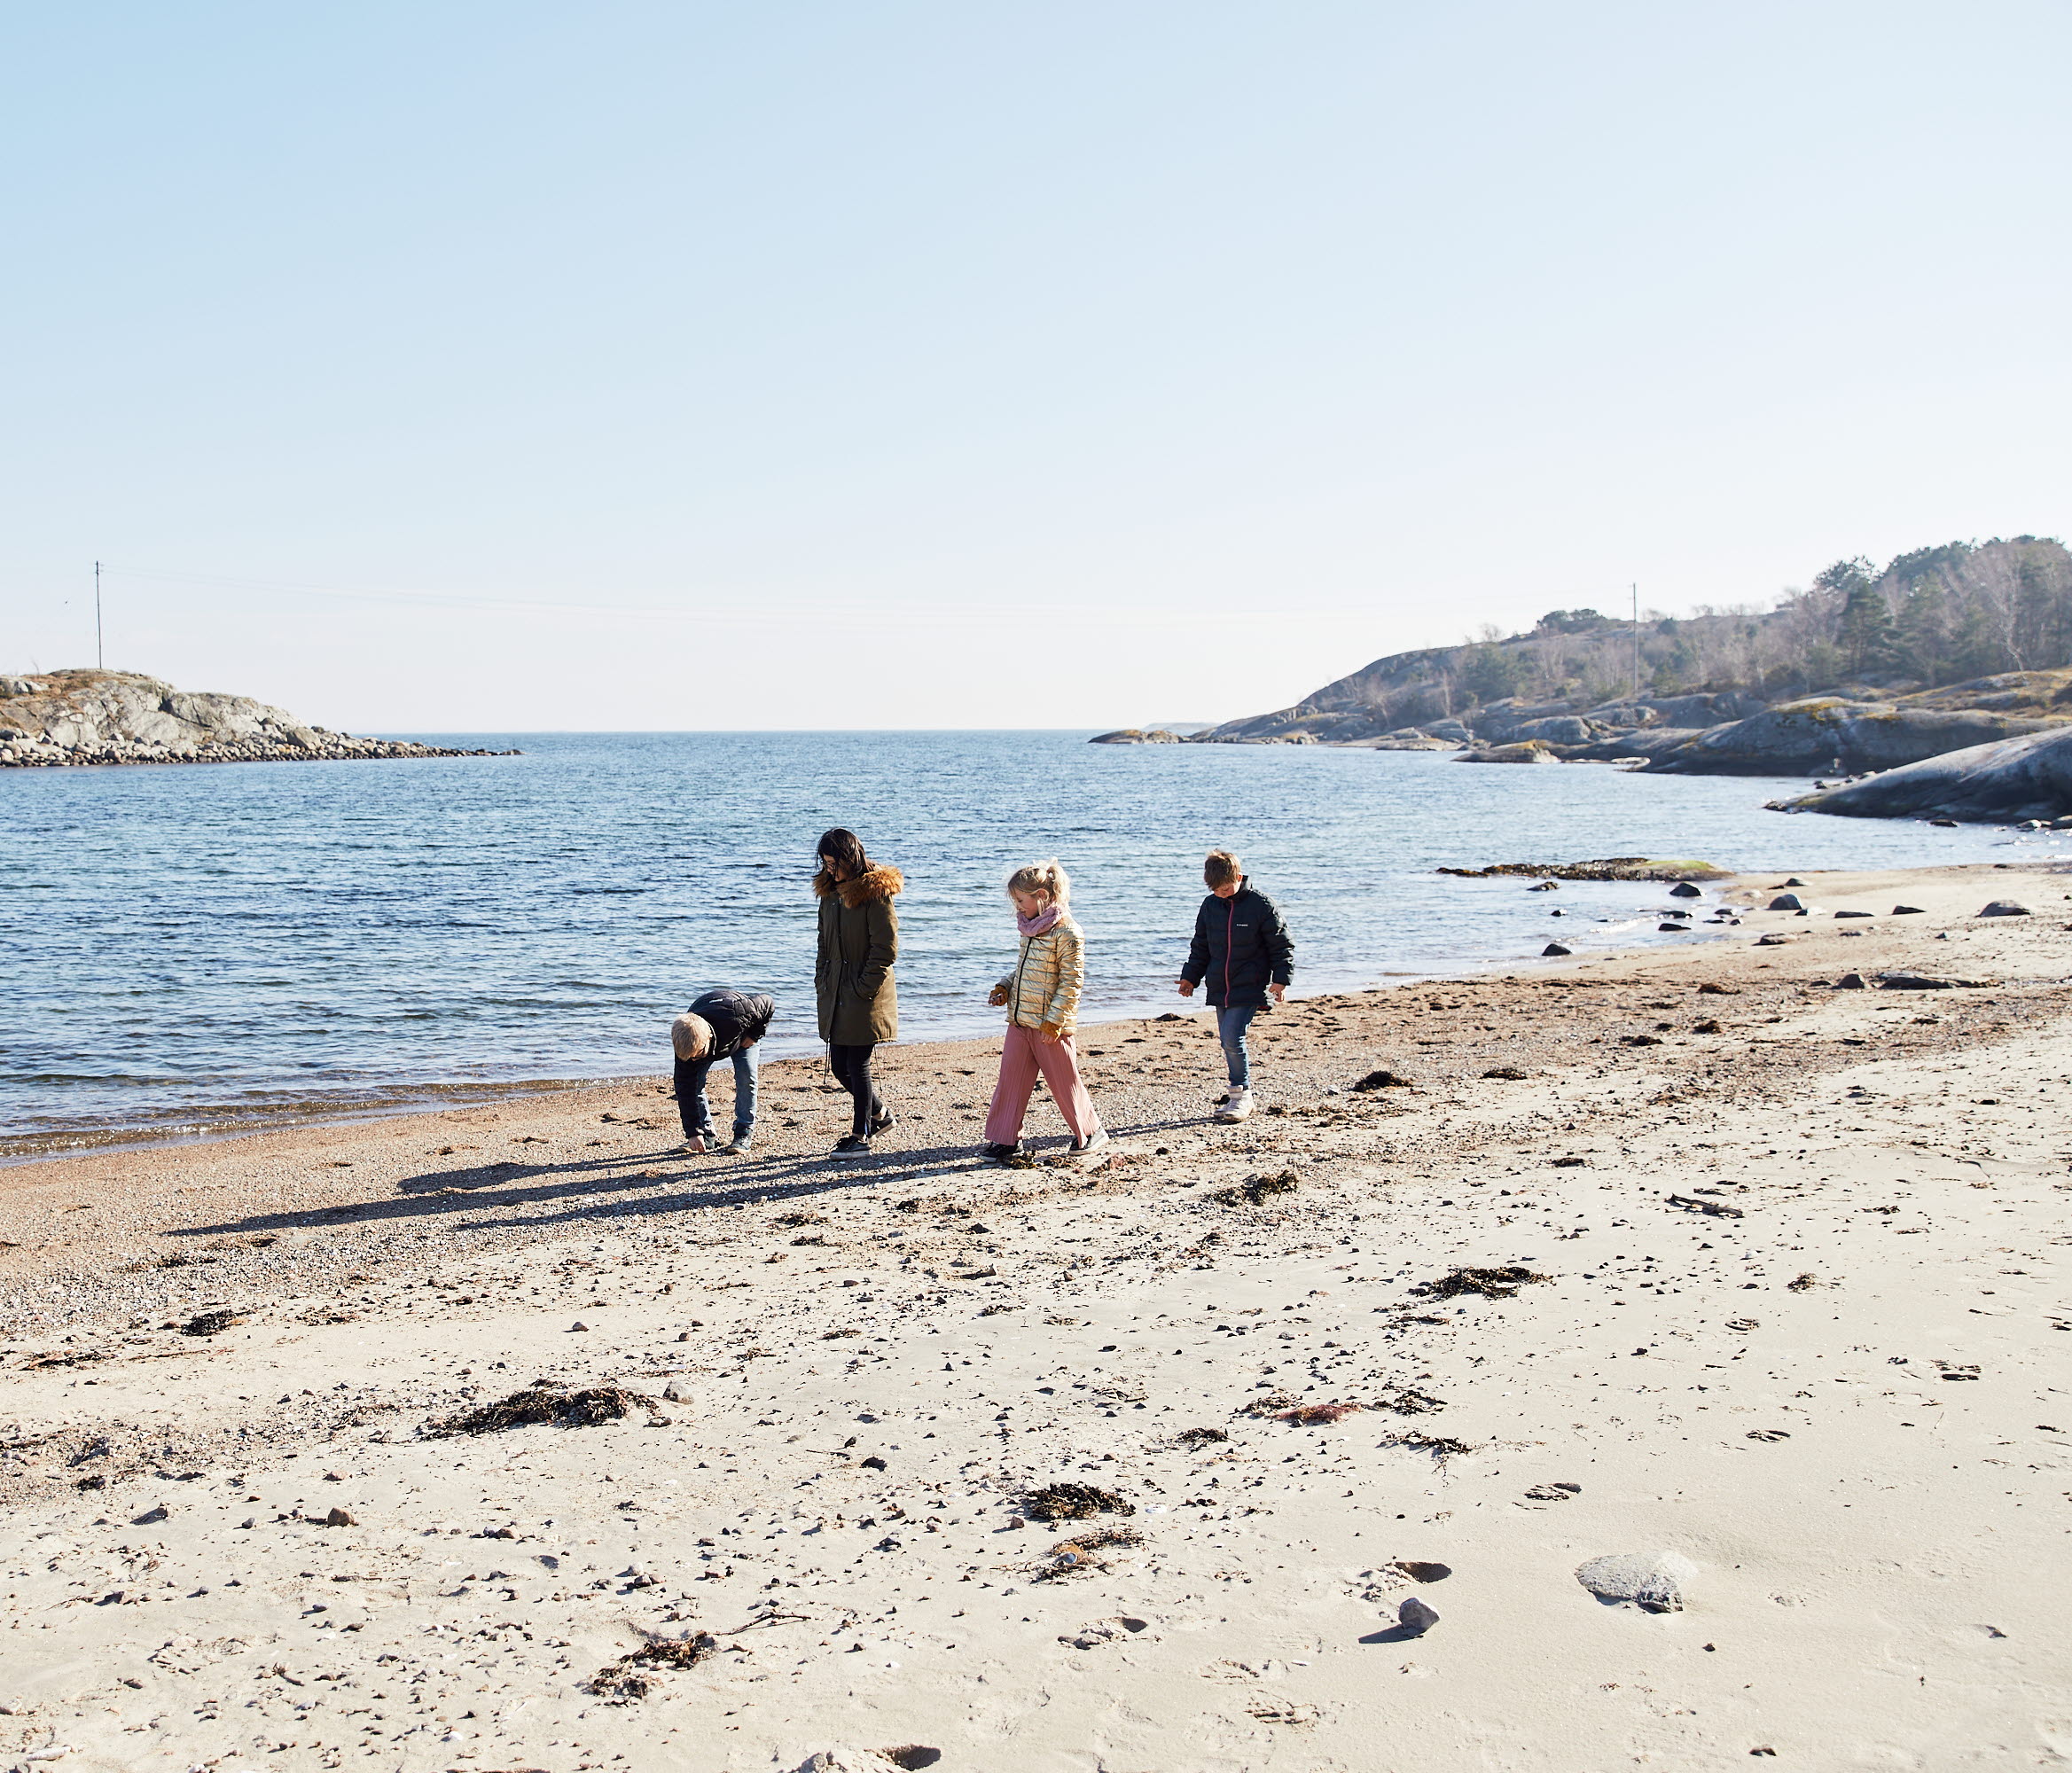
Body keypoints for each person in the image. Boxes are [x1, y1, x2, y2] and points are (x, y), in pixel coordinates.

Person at [982, 859, 1107, 1162]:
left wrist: (1055, 1022)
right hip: (1021, 1020)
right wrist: (1005, 987)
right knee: (1011, 1079)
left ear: (1041, 895)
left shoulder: (1069, 933)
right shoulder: (1029, 929)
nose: (1017, 907)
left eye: (1020, 901)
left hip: (1051, 1026)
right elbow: (1024, 972)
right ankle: (1007, 1140)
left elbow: (1071, 983)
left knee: (1064, 1081)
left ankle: (1090, 1131)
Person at [1177, 847, 1294, 1122]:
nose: (1222, 894)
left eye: (1226, 888)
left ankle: (1242, 1097)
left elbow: (1281, 945)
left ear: (1239, 877)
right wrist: (1190, 978)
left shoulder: (1261, 905)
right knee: (1227, 1041)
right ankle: (1238, 1096)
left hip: (1251, 984)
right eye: (1217, 890)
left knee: (1232, 1038)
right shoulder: (1210, 906)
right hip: (1220, 985)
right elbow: (1201, 947)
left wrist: (1280, 980)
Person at [813, 827, 902, 1154]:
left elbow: (886, 948)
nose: (829, 870)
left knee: (858, 1064)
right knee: (839, 1066)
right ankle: (879, 1115)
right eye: (825, 864)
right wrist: (822, 976)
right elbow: (823, 941)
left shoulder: (874, 893)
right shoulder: (829, 893)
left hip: (866, 994)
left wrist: (864, 987)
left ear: (850, 858)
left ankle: (861, 1137)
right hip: (835, 989)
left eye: (833, 863)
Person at [669, 988, 775, 1156]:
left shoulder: (737, 1013)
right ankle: (707, 1134)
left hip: (742, 1035)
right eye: (691, 1058)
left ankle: (744, 1133)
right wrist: (693, 1133)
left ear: (708, 1038)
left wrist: (755, 1034)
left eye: (698, 1055)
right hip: (708, 1032)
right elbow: (684, 1089)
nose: (695, 1060)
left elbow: (767, 1002)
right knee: (694, 1086)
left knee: (746, 1079)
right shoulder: (685, 1045)